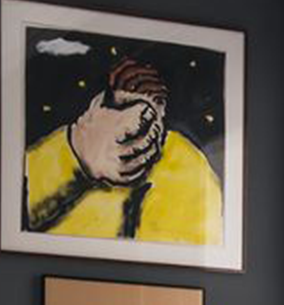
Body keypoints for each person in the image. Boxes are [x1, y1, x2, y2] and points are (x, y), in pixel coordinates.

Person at [24, 58, 222, 244]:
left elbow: (194, 247)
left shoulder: (184, 163)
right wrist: (76, 156)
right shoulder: (60, 148)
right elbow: (12, 215)